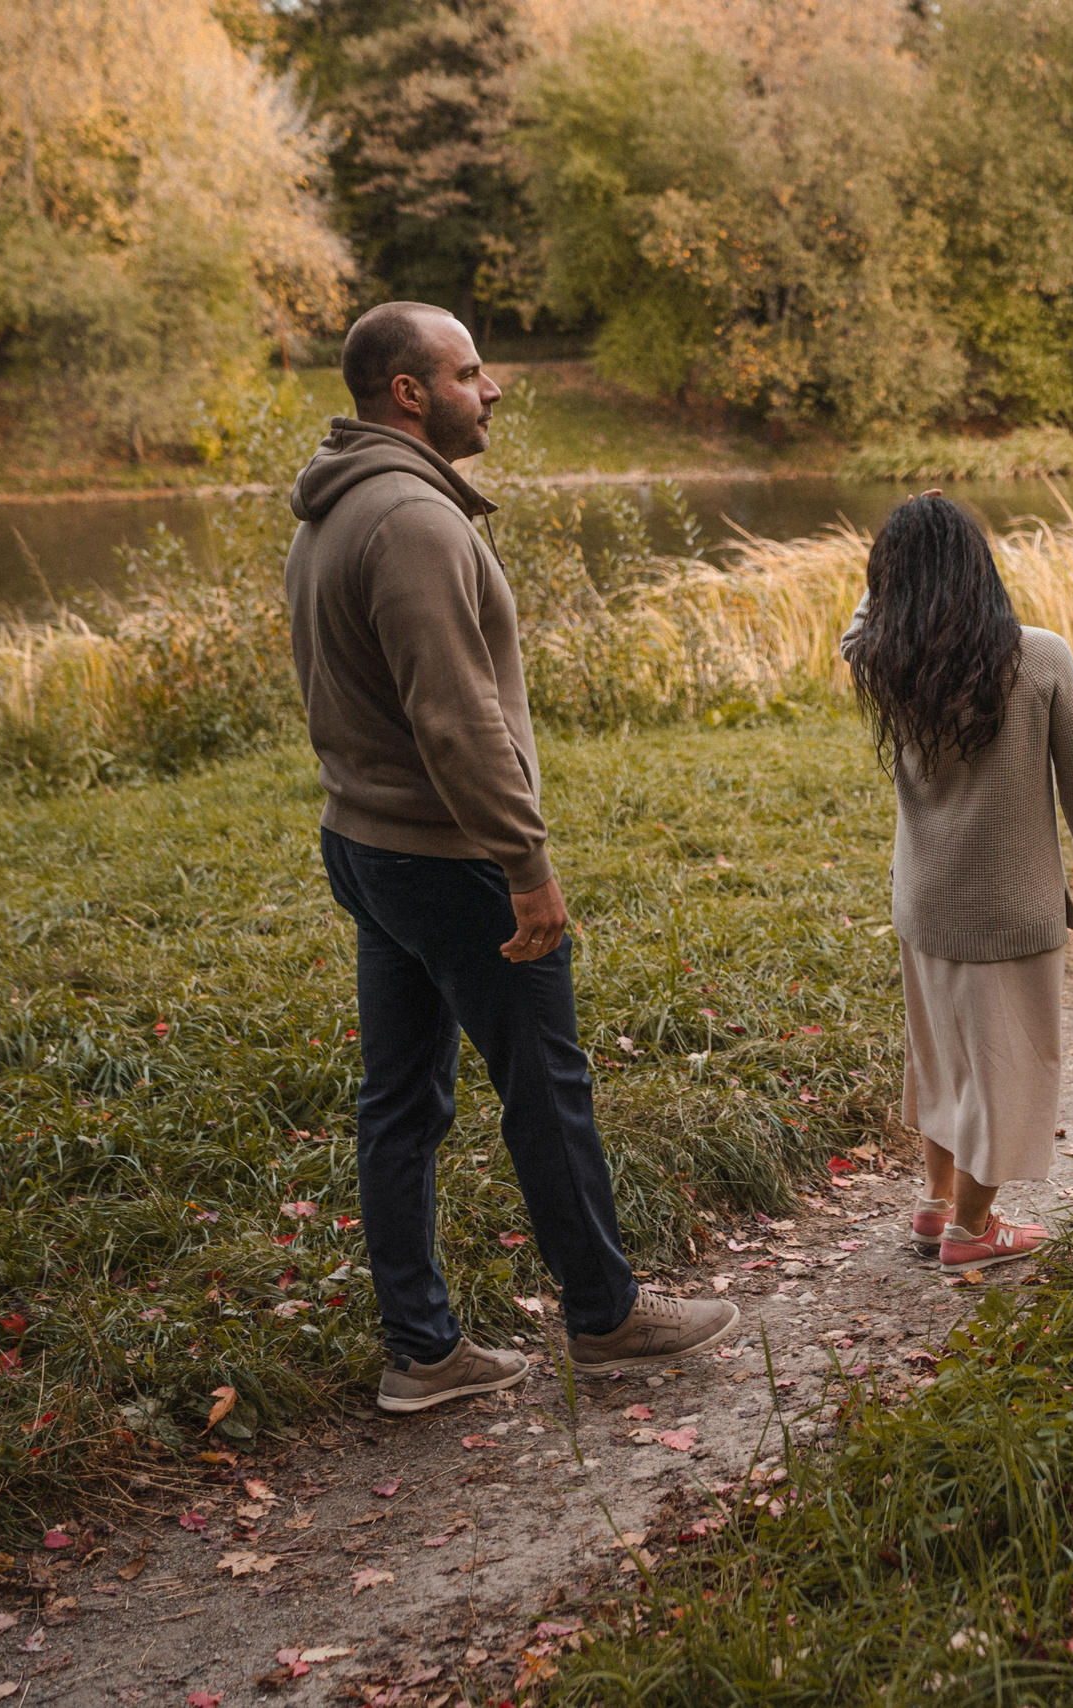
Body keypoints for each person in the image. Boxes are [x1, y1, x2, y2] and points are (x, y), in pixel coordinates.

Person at [285, 301, 737, 1413]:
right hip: (446, 857)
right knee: (546, 1082)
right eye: (470, 372)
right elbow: (457, 720)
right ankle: (606, 1315)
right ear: (408, 392)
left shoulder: (335, 510)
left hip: (367, 843)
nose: (492, 391)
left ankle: (422, 1349)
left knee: (397, 1101)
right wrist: (523, 861)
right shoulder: (412, 523)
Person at [838, 494, 1073, 1273]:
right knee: (1009, 1067)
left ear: (890, 579)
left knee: (941, 1057)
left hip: (923, 900)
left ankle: (935, 1205)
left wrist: (901, 541)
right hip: (1010, 909)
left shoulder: (881, 654)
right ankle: (972, 1230)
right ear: (980, 568)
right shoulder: (1040, 655)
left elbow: (858, 619)